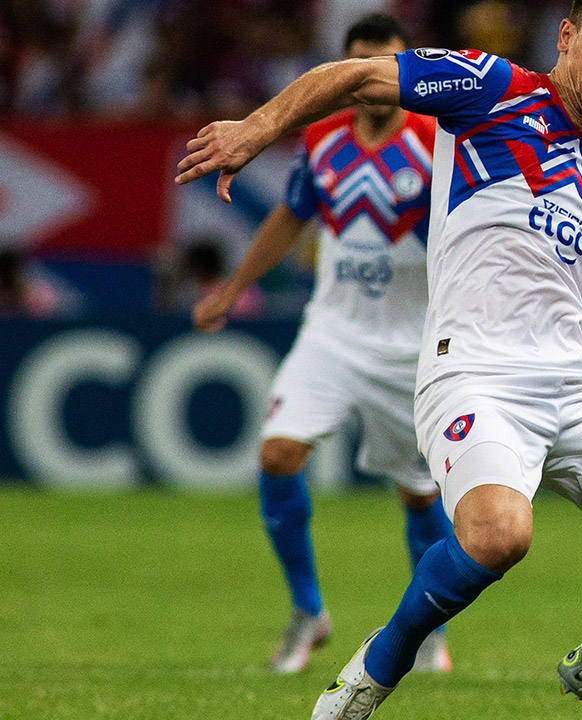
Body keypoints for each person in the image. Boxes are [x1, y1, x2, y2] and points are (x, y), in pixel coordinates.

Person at [176, 2, 582, 719]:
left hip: (573, 388)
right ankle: (369, 675)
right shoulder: (491, 87)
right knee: (500, 535)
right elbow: (352, 76)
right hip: (472, 371)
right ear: (567, 37)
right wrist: (254, 130)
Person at [190, 14, 454, 675]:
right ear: (344, 71)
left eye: (386, 66)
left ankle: (429, 629)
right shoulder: (324, 139)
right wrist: (232, 289)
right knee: (278, 453)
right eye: (361, 65)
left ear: (404, 71)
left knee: (418, 496)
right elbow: (291, 217)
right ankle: (309, 612)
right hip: (332, 330)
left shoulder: (441, 142)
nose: (372, 82)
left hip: (410, 344)